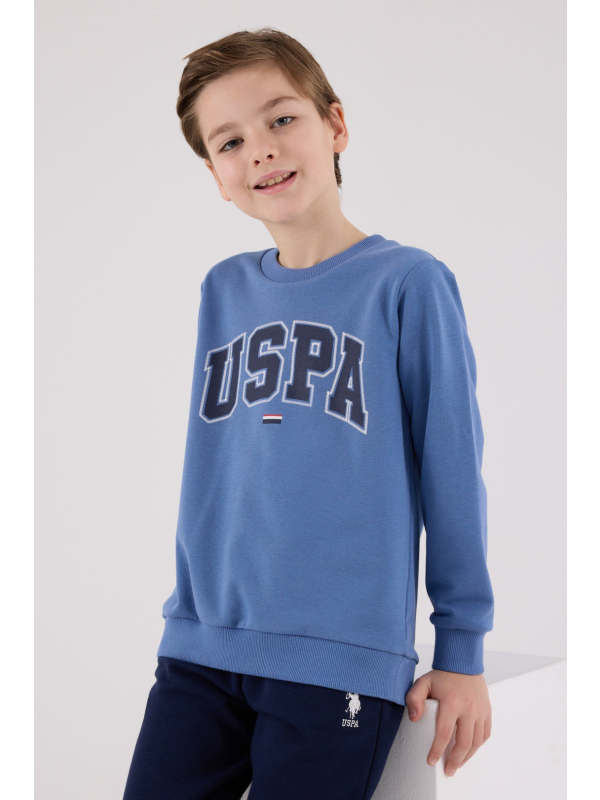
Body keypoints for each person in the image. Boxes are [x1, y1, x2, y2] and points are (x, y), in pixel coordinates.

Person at [123, 26, 494, 800]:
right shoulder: (223, 290)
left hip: (336, 664)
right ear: (216, 176)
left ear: (336, 125)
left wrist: (461, 651)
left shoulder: (408, 283)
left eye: (281, 119)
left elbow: (452, 470)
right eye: (230, 141)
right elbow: (222, 469)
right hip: (200, 650)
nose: (259, 149)